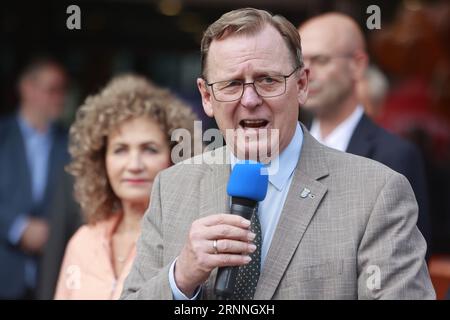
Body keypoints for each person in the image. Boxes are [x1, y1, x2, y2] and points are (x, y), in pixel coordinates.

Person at [121, 8, 435, 299]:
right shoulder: (172, 187)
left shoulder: (376, 192)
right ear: (206, 96)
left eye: (267, 80)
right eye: (231, 84)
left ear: (301, 84)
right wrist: (181, 277)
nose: (250, 99)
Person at [298, 13, 432, 254]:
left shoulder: (395, 155)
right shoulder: (285, 149)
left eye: (320, 60)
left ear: (357, 65)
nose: (306, 73)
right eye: (299, 62)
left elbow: (408, 260)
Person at [54, 74, 197, 299]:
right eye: (120, 149)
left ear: (176, 159)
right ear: (101, 161)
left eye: (149, 149)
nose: (134, 165)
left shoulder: (189, 246)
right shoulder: (82, 242)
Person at [0, 57, 69, 299]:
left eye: (63, 90)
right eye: (52, 89)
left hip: (50, 275)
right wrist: (16, 228)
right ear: (26, 88)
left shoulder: (72, 143)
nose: (59, 97)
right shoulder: (3, 136)